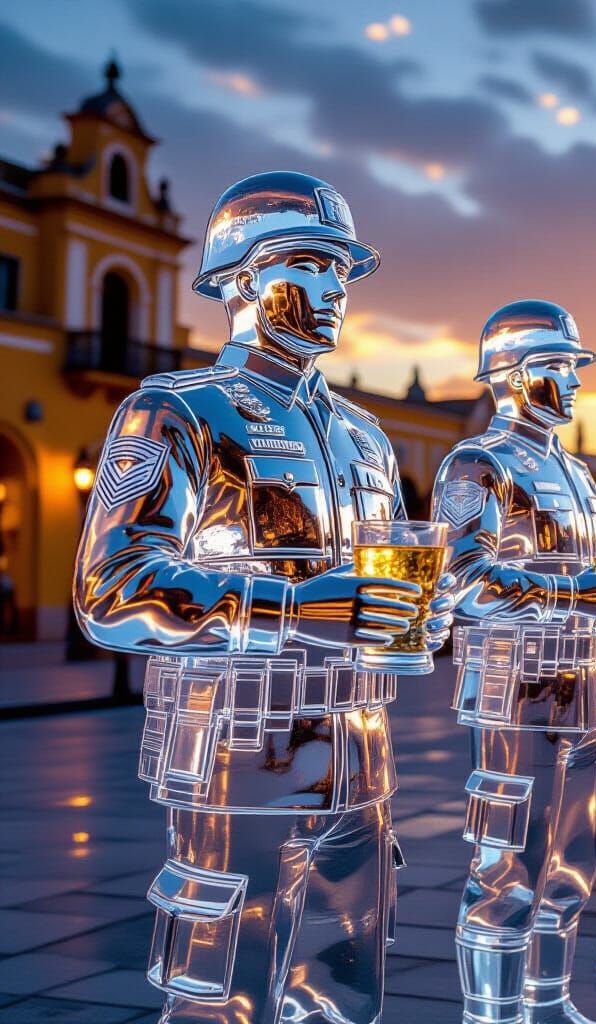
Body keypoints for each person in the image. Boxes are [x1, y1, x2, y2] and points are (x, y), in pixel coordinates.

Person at [74, 172, 455, 1024]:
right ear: (241, 277)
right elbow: (113, 588)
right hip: (237, 748)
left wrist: (429, 611)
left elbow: (387, 587)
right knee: (226, 992)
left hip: (362, 750)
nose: (336, 292)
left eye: (344, 273)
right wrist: (300, 606)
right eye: (312, 265)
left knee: (348, 989)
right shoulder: (179, 413)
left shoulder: (366, 436)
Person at [432, 300, 596, 1024]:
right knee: (508, 868)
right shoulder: (477, 462)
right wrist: (578, 591)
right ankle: (495, 1016)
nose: (577, 383)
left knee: (572, 864)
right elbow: (462, 579)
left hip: (583, 686)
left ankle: (549, 1003)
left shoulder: (582, 476)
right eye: (559, 368)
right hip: (512, 688)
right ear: (515, 376)